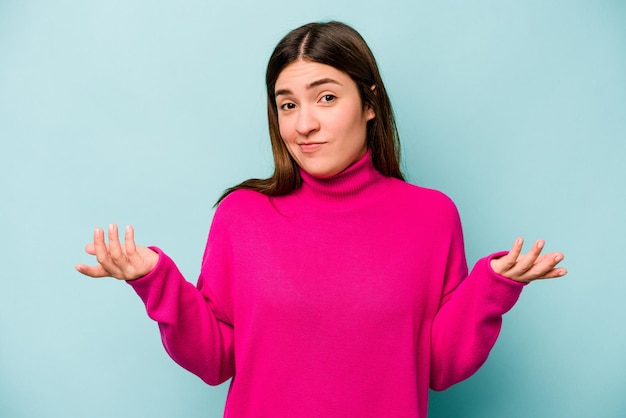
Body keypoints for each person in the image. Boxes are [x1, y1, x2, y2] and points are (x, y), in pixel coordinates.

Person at [75, 21, 567, 417]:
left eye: (326, 97)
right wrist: (153, 280)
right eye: (288, 104)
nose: (303, 124)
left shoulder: (432, 216)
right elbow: (215, 358)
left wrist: (492, 286)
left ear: (370, 103)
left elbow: (435, 366)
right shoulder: (241, 214)